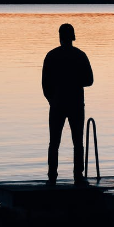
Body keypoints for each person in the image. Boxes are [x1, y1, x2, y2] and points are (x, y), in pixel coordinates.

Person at [42, 23, 94, 186]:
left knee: (54, 142)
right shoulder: (80, 55)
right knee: (77, 141)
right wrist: (75, 82)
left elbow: (45, 84)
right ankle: (78, 175)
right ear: (73, 37)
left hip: (57, 104)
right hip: (76, 104)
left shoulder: (51, 56)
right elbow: (90, 80)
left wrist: (52, 99)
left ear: (60, 37)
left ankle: (52, 176)